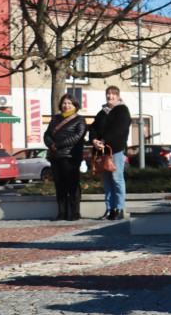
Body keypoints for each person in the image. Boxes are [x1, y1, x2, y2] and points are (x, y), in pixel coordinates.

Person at [89, 86, 131, 221]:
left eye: (113, 94)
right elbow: (93, 128)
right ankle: (109, 208)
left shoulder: (122, 110)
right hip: (102, 151)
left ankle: (119, 208)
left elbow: (120, 129)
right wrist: (94, 140)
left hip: (116, 150)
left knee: (117, 179)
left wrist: (104, 140)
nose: (110, 96)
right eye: (108, 94)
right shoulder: (102, 113)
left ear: (118, 96)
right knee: (107, 182)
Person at [43, 93, 87, 221]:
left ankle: (74, 213)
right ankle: (61, 212)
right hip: (56, 156)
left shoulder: (80, 119)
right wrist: (51, 144)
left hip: (71, 156)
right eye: (64, 103)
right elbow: (47, 135)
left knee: (72, 185)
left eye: (69, 103)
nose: (66, 105)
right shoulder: (55, 119)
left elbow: (77, 136)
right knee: (60, 185)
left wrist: (58, 144)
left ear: (75, 105)